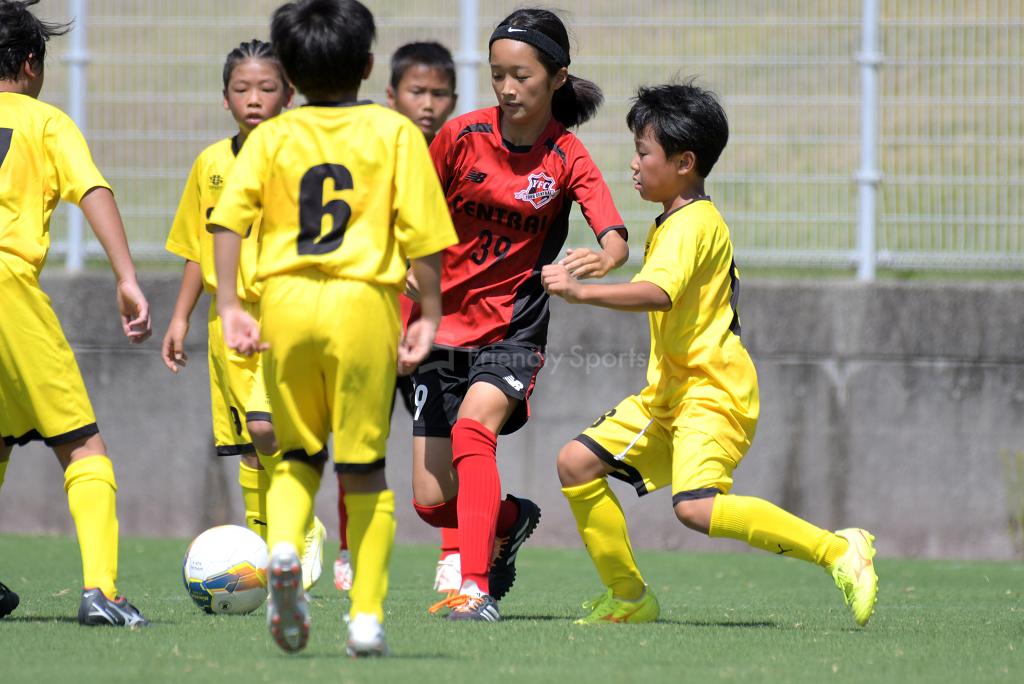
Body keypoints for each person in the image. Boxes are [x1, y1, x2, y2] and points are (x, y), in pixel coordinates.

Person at [542, 82, 879, 626]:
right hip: (672, 395)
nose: (633, 164)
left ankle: (839, 550)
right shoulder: (680, 222)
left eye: (643, 152)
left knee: (696, 506)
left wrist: (580, 291)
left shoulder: (692, 223)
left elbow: (658, 292)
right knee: (576, 464)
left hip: (710, 394)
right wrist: (602, 266)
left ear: (684, 162)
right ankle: (629, 599)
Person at [210, 0, 456, 656]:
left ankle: (285, 549)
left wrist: (233, 306)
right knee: (364, 472)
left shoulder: (270, 137)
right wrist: (429, 315)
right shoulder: (396, 133)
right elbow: (424, 236)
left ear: (288, 72)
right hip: (361, 306)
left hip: (285, 305)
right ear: (370, 65)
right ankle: (367, 617)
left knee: (295, 457)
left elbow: (227, 221)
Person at [408, 8, 629, 622]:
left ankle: (472, 590)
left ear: (557, 78)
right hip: (440, 324)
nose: (507, 88)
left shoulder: (567, 155)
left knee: (474, 430)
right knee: (430, 503)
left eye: (522, 75)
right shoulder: (460, 136)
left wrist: (598, 261)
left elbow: (614, 234)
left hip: (512, 325)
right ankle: (511, 519)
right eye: (498, 74)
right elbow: (411, 212)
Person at [0, 0, 151, 626]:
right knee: (83, 444)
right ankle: (102, 591)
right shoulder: (44, 121)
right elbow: (92, 189)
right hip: (8, 288)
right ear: (31, 64)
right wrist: (126, 277)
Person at [160, 39, 326, 592]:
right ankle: (267, 553)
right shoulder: (210, 163)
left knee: (266, 426)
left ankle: (299, 531)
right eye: (241, 88)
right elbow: (195, 246)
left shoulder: (300, 157)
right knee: (249, 447)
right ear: (225, 97)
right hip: (222, 321)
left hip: (282, 314)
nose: (253, 98)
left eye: (267, 88)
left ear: (289, 95)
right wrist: (181, 318)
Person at [333, 40, 460, 597]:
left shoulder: (460, 154)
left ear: (453, 98)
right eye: (417, 91)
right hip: (370, 319)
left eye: (439, 93)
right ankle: (349, 547)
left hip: (435, 327)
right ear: (390, 94)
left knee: (445, 445)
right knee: (360, 441)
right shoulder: (375, 151)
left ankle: (455, 550)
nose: (428, 104)